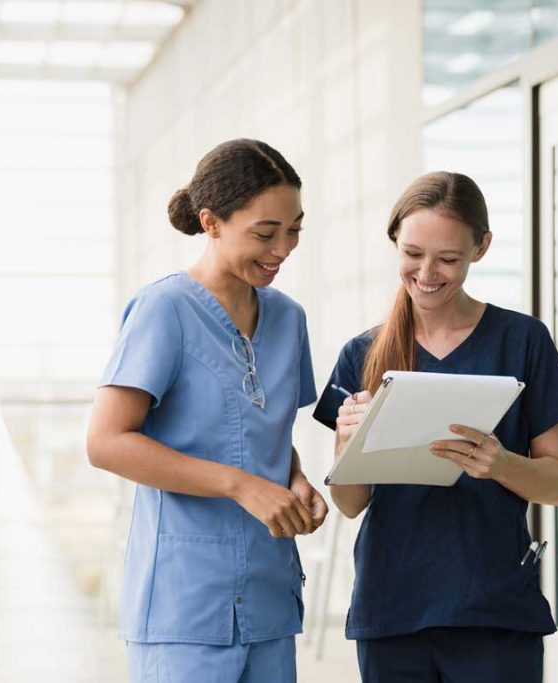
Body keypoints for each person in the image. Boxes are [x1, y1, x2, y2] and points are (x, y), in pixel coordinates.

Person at [313, 171, 558, 683]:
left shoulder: (523, 341)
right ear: (394, 241)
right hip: (392, 606)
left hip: (494, 608)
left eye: (448, 258)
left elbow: (557, 483)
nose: (427, 273)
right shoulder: (362, 353)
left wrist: (501, 463)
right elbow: (350, 504)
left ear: (481, 248)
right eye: (413, 254)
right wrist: (350, 443)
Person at [87, 138, 328, 683]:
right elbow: (106, 442)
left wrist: (293, 479)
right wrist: (241, 485)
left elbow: (264, 427)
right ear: (211, 222)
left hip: (269, 599)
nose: (282, 249)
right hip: (184, 606)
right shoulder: (164, 310)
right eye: (265, 234)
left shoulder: (289, 319)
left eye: (293, 231)